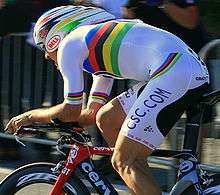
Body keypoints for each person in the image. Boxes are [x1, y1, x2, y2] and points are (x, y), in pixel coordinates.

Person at [5, 5, 210, 195]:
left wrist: (29, 116)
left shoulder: (70, 45)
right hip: (181, 69)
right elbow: (91, 115)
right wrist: (55, 125)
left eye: (44, 48)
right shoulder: (97, 46)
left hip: (174, 71)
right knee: (108, 118)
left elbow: (70, 111)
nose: (47, 57)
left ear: (55, 37)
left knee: (124, 160)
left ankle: (135, 168)